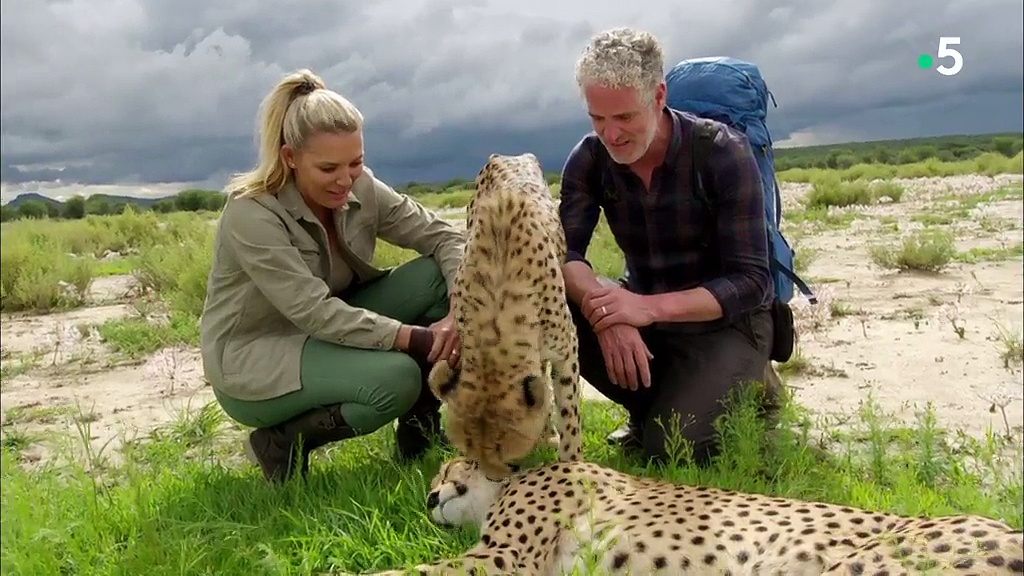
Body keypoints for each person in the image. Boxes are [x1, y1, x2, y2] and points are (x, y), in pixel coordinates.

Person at [199, 69, 466, 483]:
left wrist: (458, 315)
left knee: (437, 277)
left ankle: (419, 438)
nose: (345, 180)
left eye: (355, 163)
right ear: (290, 158)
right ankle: (282, 442)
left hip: (327, 328)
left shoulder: (361, 185)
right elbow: (313, 312)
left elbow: (445, 237)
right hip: (255, 358)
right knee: (397, 379)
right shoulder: (250, 214)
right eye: (328, 169)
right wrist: (417, 338)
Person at [558, 27, 784, 465]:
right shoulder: (588, 158)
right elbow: (564, 254)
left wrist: (646, 309)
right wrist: (607, 314)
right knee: (549, 305)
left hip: (725, 321)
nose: (611, 134)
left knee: (673, 450)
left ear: (659, 96)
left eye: (624, 117)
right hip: (643, 314)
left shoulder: (722, 153)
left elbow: (752, 281)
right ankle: (655, 407)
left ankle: (754, 388)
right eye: (597, 118)